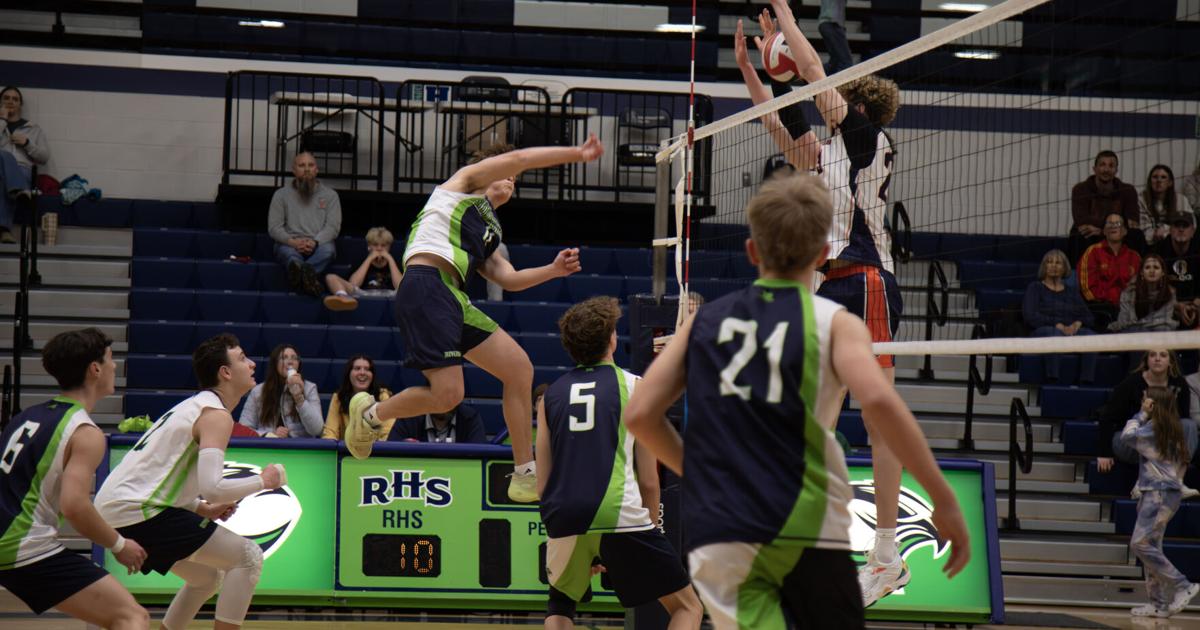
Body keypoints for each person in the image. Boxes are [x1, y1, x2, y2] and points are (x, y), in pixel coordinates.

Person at [624, 174, 970, 629]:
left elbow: (640, 414)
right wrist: (943, 498)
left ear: (752, 251)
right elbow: (881, 406)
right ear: (824, 253)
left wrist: (696, 471)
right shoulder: (836, 323)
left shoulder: (704, 322)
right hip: (804, 523)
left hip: (723, 527)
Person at [736, 2, 911, 606]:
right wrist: (752, 71)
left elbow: (812, 73)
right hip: (830, 286)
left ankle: (885, 553)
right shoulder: (829, 152)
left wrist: (787, 13)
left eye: (838, 96)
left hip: (866, 281)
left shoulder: (865, 138)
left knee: (877, 417)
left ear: (855, 106)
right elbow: (777, 123)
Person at [344, 135, 604, 503]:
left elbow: (508, 278)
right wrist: (576, 153)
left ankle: (524, 472)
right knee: (448, 395)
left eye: (515, 180)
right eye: (508, 173)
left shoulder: (490, 229)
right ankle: (371, 414)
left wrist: (553, 270)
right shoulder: (463, 184)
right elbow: (522, 156)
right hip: (426, 283)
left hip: (453, 296)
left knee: (519, 369)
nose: (512, 179)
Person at [94, 334, 286, 630]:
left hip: (118, 508)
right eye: (242, 358)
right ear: (225, 372)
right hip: (135, 511)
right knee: (248, 556)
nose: (251, 364)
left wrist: (200, 508)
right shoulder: (215, 415)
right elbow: (214, 488)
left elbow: (161, 476)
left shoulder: (194, 407)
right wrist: (263, 481)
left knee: (206, 578)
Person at [537, 296, 702, 630]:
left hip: (564, 516)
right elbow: (649, 481)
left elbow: (544, 482)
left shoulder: (550, 396)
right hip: (619, 513)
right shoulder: (634, 387)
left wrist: (578, 537)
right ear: (611, 339)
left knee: (560, 606)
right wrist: (650, 530)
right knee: (688, 607)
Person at [0, 328, 149, 629]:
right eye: (110, 359)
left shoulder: (26, 417)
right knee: (132, 617)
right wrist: (119, 545)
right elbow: (75, 506)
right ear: (95, 369)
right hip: (22, 546)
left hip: (10, 540)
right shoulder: (85, 432)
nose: (115, 365)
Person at [1122, 388, 1199, 618]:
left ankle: (1183, 585)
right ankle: (1158, 603)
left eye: (1145, 398)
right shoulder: (1169, 427)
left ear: (1153, 404)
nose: (1143, 401)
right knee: (1151, 548)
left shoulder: (1154, 428)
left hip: (1159, 493)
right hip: (1158, 491)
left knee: (1139, 544)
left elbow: (1127, 436)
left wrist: (1141, 414)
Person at [1097, 350, 1195, 474]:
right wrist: (1104, 453)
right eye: (1152, 355)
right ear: (1146, 360)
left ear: (1170, 361)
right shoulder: (1130, 383)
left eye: (1163, 355)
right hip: (1132, 438)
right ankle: (1163, 472)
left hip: (1165, 439)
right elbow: (1107, 417)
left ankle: (1177, 473)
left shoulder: (1179, 383)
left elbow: (1182, 418)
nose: (1157, 359)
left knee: (1189, 425)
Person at [269, 151, 342, 297]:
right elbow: (274, 228)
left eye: (311, 165)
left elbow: (332, 227)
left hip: (319, 243)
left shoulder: (331, 195)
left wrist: (315, 242)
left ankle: (302, 273)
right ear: (294, 170)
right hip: (290, 243)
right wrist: (293, 242)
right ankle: (307, 276)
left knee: (328, 250)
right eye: (302, 165)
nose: (307, 169)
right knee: (288, 253)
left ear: (317, 170)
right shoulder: (280, 195)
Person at [1022, 249, 1097, 384]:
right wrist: (1057, 324)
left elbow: (1089, 317)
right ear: (1044, 266)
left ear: (1064, 268)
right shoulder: (1035, 287)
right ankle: (1052, 380)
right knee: (1054, 334)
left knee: (1091, 337)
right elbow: (1030, 316)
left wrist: (1077, 324)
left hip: (1071, 330)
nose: (1053, 266)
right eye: (1049, 262)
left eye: (1058, 263)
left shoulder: (1071, 291)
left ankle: (1086, 381)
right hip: (1044, 329)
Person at [1070, 150, 1142, 262]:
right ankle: (1081, 269)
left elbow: (1133, 223)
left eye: (1111, 166)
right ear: (1094, 169)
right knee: (1079, 234)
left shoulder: (1128, 190)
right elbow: (1081, 222)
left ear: (1116, 170)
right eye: (1102, 165)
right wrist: (1114, 226)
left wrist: (1101, 231)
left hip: (1118, 236)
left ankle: (1135, 268)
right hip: (1092, 237)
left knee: (1136, 234)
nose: (1106, 169)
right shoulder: (1080, 189)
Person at [0, 86, 51, 243]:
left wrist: (27, 143)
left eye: (15, 99)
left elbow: (44, 157)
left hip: (23, 170)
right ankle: (20, 190)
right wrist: (2, 120)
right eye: (6, 98)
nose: (10, 101)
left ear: (20, 105)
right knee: (4, 156)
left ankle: (4, 230)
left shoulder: (34, 129)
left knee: (2, 181)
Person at [239, 344, 322, 438]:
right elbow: (244, 428)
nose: (290, 362)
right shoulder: (258, 391)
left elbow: (317, 430)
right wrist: (270, 434)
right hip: (268, 445)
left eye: (294, 358)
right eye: (284, 358)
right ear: (275, 363)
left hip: (300, 445)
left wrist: (299, 398)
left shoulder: (309, 388)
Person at [1078, 212, 1141, 331]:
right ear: (1104, 231)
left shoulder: (1135, 257)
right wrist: (1108, 302)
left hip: (1130, 309)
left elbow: (1140, 287)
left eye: (1117, 223)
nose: (1113, 226)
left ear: (1125, 231)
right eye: (1109, 223)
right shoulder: (1092, 252)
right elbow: (1087, 289)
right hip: (1101, 310)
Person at [324, 226, 403, 311]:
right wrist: (369, 259)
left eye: (383, 245)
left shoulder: (395, 261)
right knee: (330, 277)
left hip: (390, 294)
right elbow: (354, 284)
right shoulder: (361, 259)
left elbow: (401, 287)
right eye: (375, 245)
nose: (379, 248)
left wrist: (390, 260)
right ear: (369, 246)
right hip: (363, 293)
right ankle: (343, 298)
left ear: (389, 247)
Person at [321, 354, 392, 440]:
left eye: (367, 369)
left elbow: (388, 432)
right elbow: (330, 432)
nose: (362, 373)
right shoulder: (339, 397)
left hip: (376, 447)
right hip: (346, 447)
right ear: (349, 374)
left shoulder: (382, 396)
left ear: (372, 375)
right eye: (357, 368)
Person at [1152, 211, 1200, 329]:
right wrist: (1176, 306)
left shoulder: (1198, 249)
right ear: (1170, 230)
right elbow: (1153, 287)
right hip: (1167, 307)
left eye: (1185, 226)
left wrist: (1195, 305)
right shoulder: (1159, 250)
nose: (1181, 229)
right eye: (1177, 225)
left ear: (1193, 231)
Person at [1109, 254, 1177, 333]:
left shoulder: (1170, 293)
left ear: (1163, 273)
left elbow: (1164, 322)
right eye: (1147, 267)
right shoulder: (1129, 293)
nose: (1152, 271)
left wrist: (1140, 326)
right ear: (1141, 272)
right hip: (1131, 333)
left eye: (1156, 267)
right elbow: (1124, 322)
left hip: (1158, 333)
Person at [1139, 165, 1193, 247]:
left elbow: (1192, 223)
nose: (1159, 180)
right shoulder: (1141, 200)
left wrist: (1165, 230)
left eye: (1163, 177)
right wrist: (1155, 234)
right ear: (1150, 182)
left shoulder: (1181, 200)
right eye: (1155, 177)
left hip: (1177, 243)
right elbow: (1142, 227)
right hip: (1150, 244)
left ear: (1170, 182)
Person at [388, 403, 488, 444]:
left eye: (450, 396)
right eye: (440, 396)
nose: (445, 403)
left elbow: (480, 456)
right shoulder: (409, 417)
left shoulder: (469, 418)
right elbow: (390, 453)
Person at [814, 0, 853, 74]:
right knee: (845, 62)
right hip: (832, 23)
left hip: (827, 23)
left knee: (835, 62)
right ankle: (815, 73)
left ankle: (815, 74)